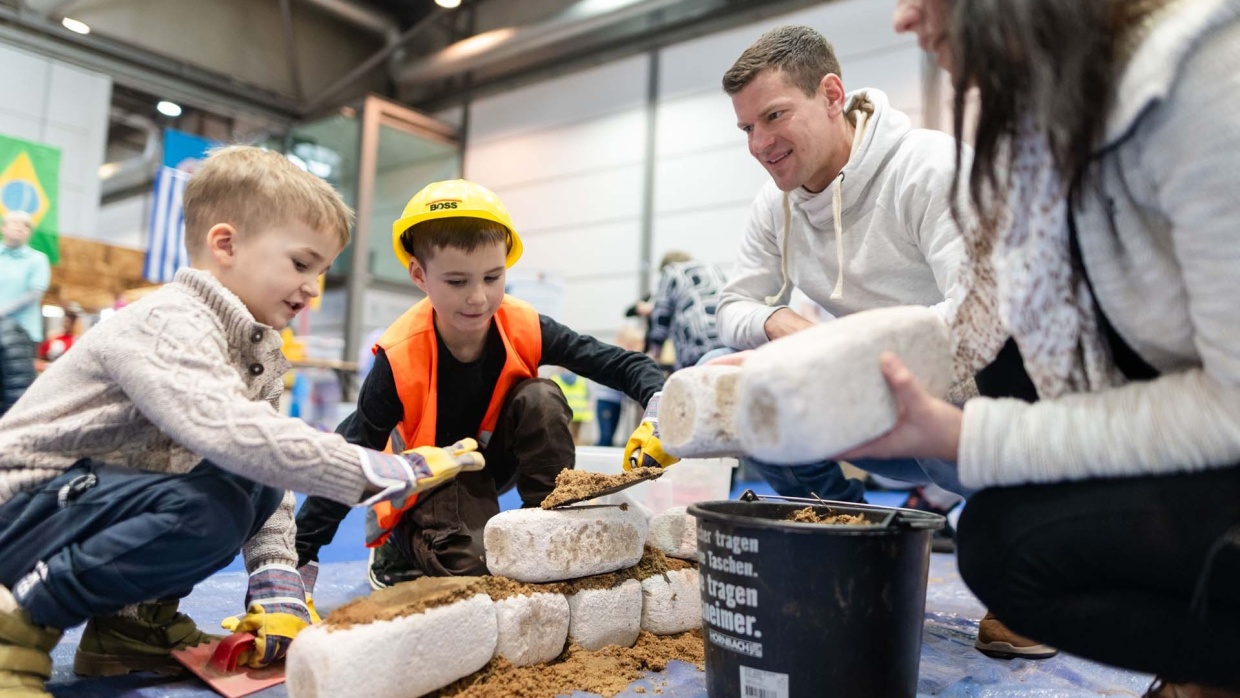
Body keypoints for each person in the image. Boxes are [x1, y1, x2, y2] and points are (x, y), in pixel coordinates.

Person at [854, 1, 1240, 694]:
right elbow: (976, 325)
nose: (904, 19)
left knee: (1017, 547)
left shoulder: (1206, 78)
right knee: (1006, 527)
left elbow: (1233, 407)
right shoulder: (1044, 127)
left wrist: (975, 435)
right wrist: (825, 373)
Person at [0, 147, 485, 696]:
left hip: (75, 502)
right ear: (225, 245)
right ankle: (16, 620)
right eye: (301, 264)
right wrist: (383, 469)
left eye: (322, 272)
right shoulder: (170, 321)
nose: (312, 288)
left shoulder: (252, 345)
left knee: (245, 489)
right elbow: (227, 430)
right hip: (22, 506)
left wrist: (277, 584)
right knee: (201, 508)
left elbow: (264, 467)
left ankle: (130, 628)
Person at [293, 179, 675, 589]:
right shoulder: (400, 355)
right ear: (420, 275)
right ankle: (399, 549)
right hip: (427, 481)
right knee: (476, 569)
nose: (478, 297)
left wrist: (659, 409)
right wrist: (301, 556)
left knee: (541, 397)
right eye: (457, 282)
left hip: (490, 465)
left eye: (493, 277)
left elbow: (621, 363)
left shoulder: (524, 324)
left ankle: (550, 524)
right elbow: (351, 451)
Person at [713, 25, 968, 507]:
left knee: (992, 547)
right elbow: (731, 306)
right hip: (865, 406)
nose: (760, 144)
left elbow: (977, 318)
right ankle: (840, 519)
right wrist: (775, 320)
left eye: (774, 115)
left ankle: (1003, 504)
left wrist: (839, 348)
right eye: (748, 128)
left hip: (954, 409)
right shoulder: (775, 203)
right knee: (720, 378)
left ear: (831, 95)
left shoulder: (930, 169)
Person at [645, 251, 728, 370]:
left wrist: (655, 350)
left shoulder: (670, 271)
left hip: (696, 345)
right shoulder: (712, 268)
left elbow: (662, 314)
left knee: (692, 382)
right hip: (726, 339)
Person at [0, 211, 51, 350]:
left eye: (26, 225)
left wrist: (2, 312)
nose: (20, 227)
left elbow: (35, 293)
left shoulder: (38, 260)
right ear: (3, 227)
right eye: (15, 223)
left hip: (22, 332)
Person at [549, 370, 593, 444]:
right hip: (579, 413)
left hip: (563, 413)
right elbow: (588, 395)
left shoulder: (555, 379)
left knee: (565, 437)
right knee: (576, 436)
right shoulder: (581, 379)